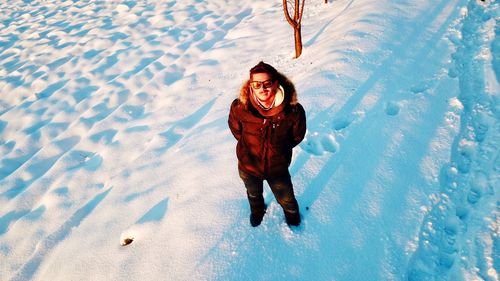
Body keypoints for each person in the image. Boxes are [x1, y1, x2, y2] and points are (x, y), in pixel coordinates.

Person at [228, 61, 306, 227]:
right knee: (253, 194)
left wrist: (279, 150)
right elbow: (237, 131)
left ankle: (292, 217)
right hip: (248, 166)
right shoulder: (240, 107)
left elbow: (296, 136)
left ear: (276, 83)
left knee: (286, 198)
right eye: (256, 84)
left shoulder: (292, 110)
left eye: (267, 83)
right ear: (251, 86)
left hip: (277, 167)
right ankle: (257, 211)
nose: (262, 88)